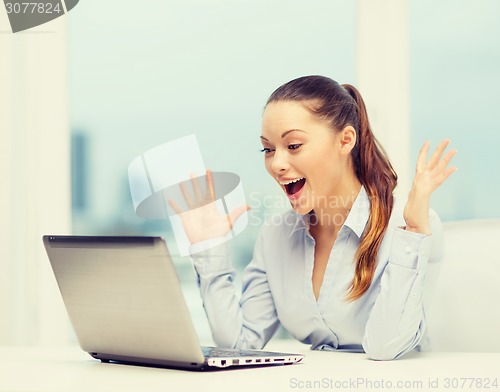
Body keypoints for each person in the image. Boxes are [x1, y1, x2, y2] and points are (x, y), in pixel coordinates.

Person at [168, 75, 457, 361]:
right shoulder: (276, 236)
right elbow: (238, 343)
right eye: (268, 149)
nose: (277, 164)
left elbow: (385, 347)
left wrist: (416, 231)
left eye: (293, 146)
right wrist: (209, 249)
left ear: (345, 141)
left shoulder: (409, 230)